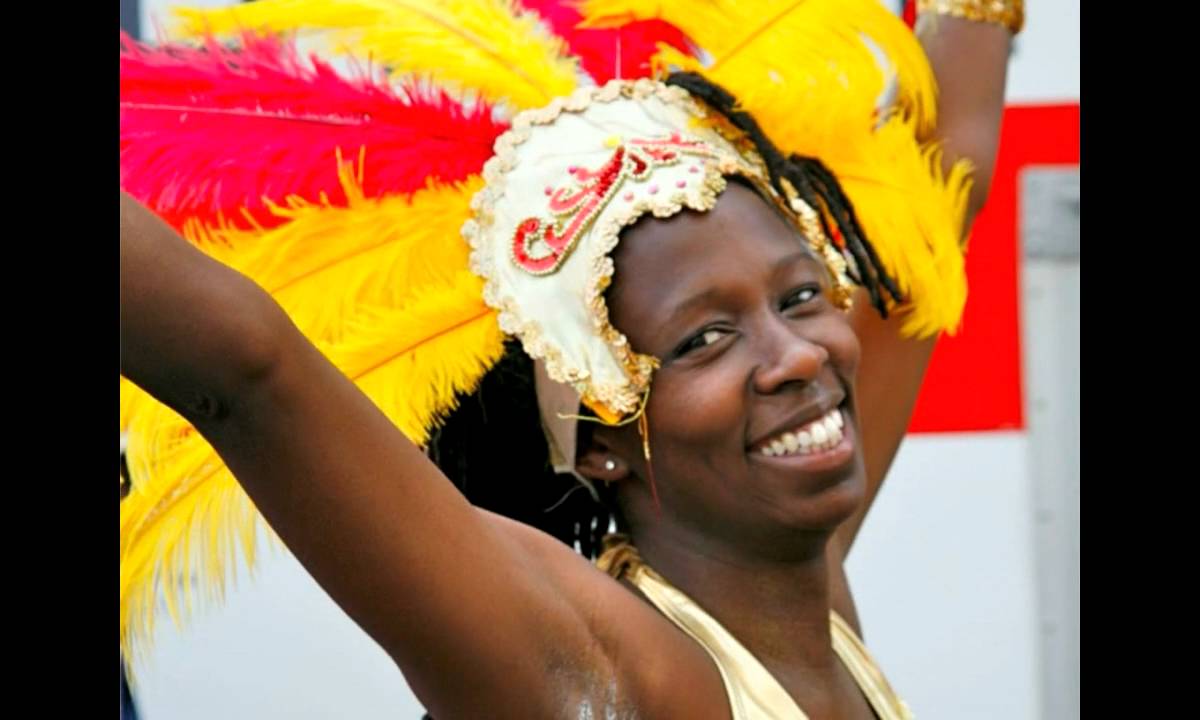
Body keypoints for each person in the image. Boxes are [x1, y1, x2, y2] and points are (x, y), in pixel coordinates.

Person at [120, 1, 1018, 717]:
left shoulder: (799, 595)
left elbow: (946, 178)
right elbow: (253, 374)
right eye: (703, 339)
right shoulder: (593, 670)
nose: (797, 357)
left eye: (800, 296)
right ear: (599, 441)